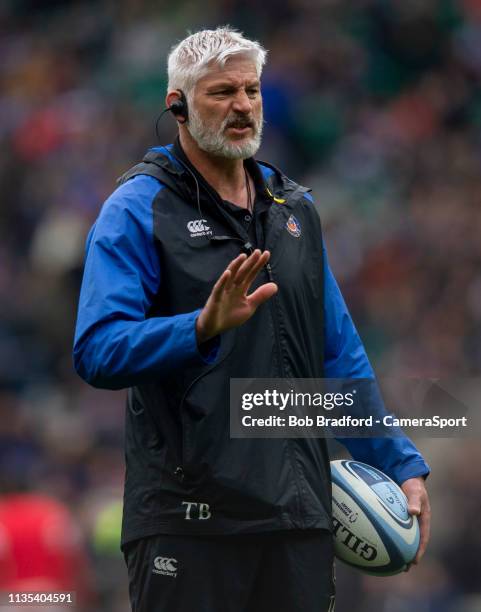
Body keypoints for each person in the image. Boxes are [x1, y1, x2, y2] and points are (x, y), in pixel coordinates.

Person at [73, 26, 431, 612]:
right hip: (189, 522)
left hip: (297, 518)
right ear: (178, 106)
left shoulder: (295, 210)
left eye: (251, 90)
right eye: (221, 93)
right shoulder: (137, 208)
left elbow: (338, 356)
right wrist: (198, 327)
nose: (242, 105)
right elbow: (97, 348)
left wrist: (398, 461)